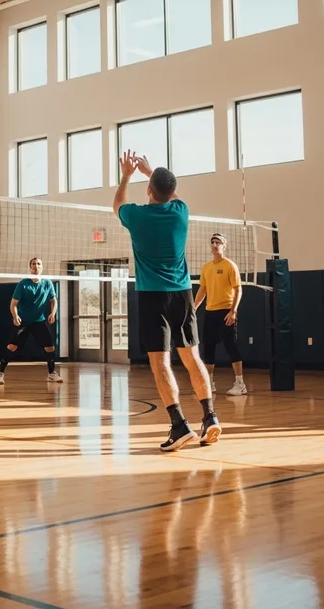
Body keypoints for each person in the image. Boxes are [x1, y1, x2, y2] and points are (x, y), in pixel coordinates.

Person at [114, 150, 219, 452]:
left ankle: (179, 425)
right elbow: (169, 191)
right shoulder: (180, 211)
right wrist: (151, 173)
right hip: (183, 293)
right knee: (192, 358)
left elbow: (117, 204)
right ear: (171, 191)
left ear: (148, 190)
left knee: (160, 362)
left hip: (152, 296)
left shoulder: (136, 214)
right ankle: (210, 417)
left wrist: (126, 175)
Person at [0, 257, 62, 385]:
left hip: (39, 321)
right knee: (12, 347)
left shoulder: (47, 283)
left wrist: (53, 313)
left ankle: (52, 373)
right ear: (30, 268)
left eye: (38, 264)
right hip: (24, 321)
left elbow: (54, 301)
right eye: (33, 264)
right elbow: (13, 304)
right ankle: (0, 374)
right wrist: (15, 316)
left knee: (50, 347)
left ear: (42, 267)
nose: (36, 266)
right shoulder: (23, 284)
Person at [194, 232, 246, 396]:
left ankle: (240, 383)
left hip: (226, 311)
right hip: (210, 312)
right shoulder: (206, 267)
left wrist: (233, 311)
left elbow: (238, 289)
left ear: (224, 246)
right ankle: (210, 383)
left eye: (218, 242)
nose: (215, 245)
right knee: (208, 348)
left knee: (231, 346)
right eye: (213, 242)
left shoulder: (230, 265)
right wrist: (194, 308)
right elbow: (203, 289)